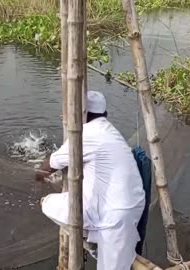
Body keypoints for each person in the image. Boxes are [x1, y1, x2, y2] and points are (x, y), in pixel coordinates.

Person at [35, 91, 145, 270]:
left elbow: (50, 165)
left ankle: (92, 238)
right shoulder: (110, 131)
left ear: (80, 113)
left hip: (113, 217)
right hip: (132, 209)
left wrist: (36, 175)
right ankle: (94, 238)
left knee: (48, 203)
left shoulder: (86, 134)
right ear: (104, 114)